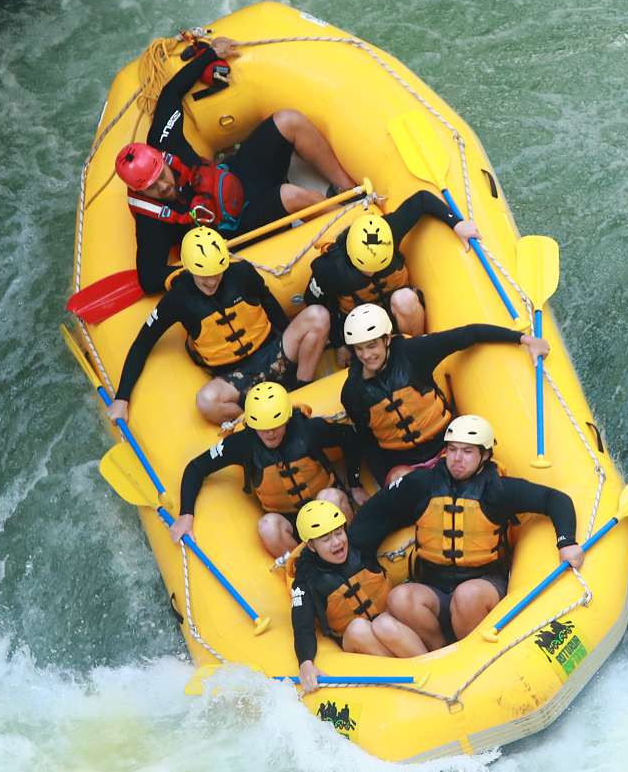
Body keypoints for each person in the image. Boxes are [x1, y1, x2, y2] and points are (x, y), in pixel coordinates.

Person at [116, 33, 357, 293]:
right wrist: (203, 269)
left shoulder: (163, 140)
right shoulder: (150, 220)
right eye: (152, 187)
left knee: (288, 121)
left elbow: (170, 94)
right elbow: (149, 279)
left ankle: (348, 189)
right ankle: (352, 224)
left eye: (162, 176)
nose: (163, 186)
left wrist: (210, 54)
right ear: (141, 191)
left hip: (233, 177)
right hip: (234, 227)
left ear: (160, 159)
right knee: (290, 195)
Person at [346, 415, 580, 648]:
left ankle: (475, 652)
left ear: (485, 455)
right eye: (452, 449)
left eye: (467, 452)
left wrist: (566, 542)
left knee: (466, 595)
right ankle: (441, 650)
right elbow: (374, 511)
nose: (457, 458)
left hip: (483, 583)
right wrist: (356, 557)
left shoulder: (499, 489)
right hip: (434, 586)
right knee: (399, 598)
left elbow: (554, 499)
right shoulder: (421, 484)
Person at [109, 228, 330, 425]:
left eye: (216, 272)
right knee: (206, 401)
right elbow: (143, 343)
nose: (211, 281)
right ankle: (257, 420)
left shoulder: (242, 273)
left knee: (318, 316)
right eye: (204, 276)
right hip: (235, 377)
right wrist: (122, 398)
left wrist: (291, 337)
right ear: (189, 269)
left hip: (273, 351)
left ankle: (302, 388)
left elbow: (270, 304)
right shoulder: (177, 299)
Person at [338, 303, 548, 484]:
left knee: (479, 477)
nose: (366, 355)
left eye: (372, 346)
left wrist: (524, 339)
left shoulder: (414, 352)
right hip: (405, 464)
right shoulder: (353, 392)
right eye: (359, 349)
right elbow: (367, 443)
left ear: (387, 339)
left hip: (447, 446)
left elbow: (469, 334)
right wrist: (373, 483)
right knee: (398, 479)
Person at [172, 381, 363, 557]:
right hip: (289, 522)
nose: (270, 433)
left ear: (286, 419)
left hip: (325, 508)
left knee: (331, 497)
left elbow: (349, 436)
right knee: (267, 526)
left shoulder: (309, 429)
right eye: (263, 428)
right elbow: (196, 468)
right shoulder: (241, 444)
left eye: (275, 426)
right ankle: (305, 566)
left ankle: (354, 552)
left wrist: (355, 485)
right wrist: (186, 514)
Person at [288, 499, 426, 694]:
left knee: (385, 624)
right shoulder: (305, 578)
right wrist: (305, 662)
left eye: (338, 533)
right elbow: (302, 624)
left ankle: (428, 666)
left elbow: (388, 513)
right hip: (357, 640)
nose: (337, 542)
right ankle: (406, 679)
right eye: (326, 539)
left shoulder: (360, 542)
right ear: (311, 546)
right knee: (358, 629)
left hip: (390, 623)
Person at [305, 197, 480, 348]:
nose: (372, 273)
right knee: (362, 323)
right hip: (360, 322)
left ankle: (414, 348)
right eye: (366, 267)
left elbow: (422, 200)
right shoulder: (329, 268)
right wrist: (339, 344)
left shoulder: (389, 230)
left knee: (404, 299)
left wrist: (456, 223)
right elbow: (313, 301)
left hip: (398, 310)